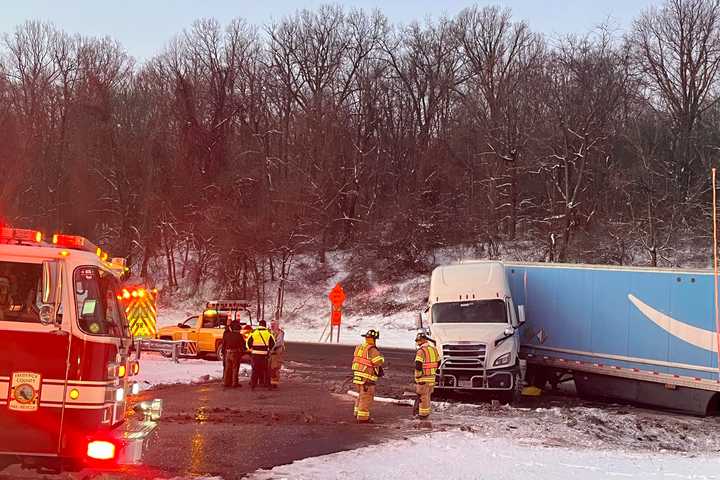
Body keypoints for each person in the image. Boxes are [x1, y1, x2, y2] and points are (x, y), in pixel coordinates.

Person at [351, 329, 384, 423]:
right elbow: (377, 362)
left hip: (357, 376)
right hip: (367, 377)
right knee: (366, 397)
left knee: (361, 395)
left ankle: (357, 412)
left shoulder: (360, 347)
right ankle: (363, 418)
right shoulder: (372, 349)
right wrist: (382, 359)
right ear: (374, 339)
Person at [413, 332, 440, 419]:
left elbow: (418, 364)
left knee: (423, 398)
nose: (417, 343)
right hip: (431, 378)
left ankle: (423, 415)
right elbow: (439, 361)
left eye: (418, 341)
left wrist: (418, 376)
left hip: (423, 379)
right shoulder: (434, 349)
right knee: (427, 397)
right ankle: (426, 413)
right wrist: (433, 371)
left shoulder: (421, 351)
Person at [247, 320, 275, 390]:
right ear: (265, 325)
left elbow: (248, 343)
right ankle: (268, 385)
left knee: (255, 370)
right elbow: (273, 343)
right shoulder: (268, 333)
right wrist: (269, 349)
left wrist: (251, 349)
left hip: (255, 354)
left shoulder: (254, 332)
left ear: (259, 325)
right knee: (266, 370)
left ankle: (253, 385)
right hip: (264, 355)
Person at [222, 320, 246, 388]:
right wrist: (242, 352)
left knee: (227, 368)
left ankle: (226, 382)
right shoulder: (239, 336)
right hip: (235, 353)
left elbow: (224, 343)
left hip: (227, 352)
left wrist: (223, 351)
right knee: (235, 368)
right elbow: (243, 345)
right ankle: (234, 383)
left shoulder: (227, 334)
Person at [269, 321, 286, 389]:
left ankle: (274, 384)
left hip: (277, 352)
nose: (272, 326)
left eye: (273, 325)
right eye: (271, 324)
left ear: (277, 325)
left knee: (275, 368)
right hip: (271, 352)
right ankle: (270, 382)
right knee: (270, 368)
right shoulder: (270, 332)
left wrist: (271, 347)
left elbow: (279, 342)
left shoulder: (280, 333)